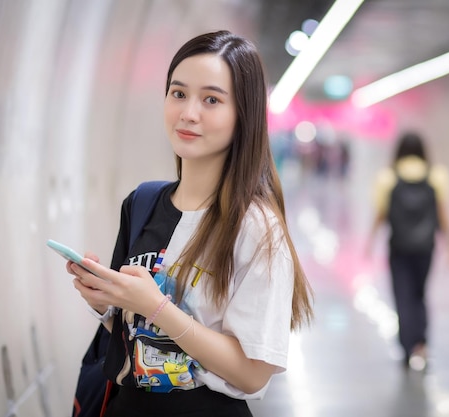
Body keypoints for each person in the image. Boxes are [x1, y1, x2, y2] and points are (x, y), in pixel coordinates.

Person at [65, 30, 314, 416]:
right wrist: (106, 302)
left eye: (211, 100)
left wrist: (157, 307)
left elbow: (252, 375)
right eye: (178, 93)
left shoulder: (256, 227)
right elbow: (138, 339)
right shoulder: (142, 203)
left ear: (242, 115)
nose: (188, 113)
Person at [365, 131, 449, 371]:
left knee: (402, 296)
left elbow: (381, 213)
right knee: (420, 294)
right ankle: (422, 344)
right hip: (426, 247)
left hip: (399, 247)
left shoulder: (387, 177)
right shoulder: (437, 175)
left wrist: (370, 241)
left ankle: (406, 348)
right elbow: (442, 213)